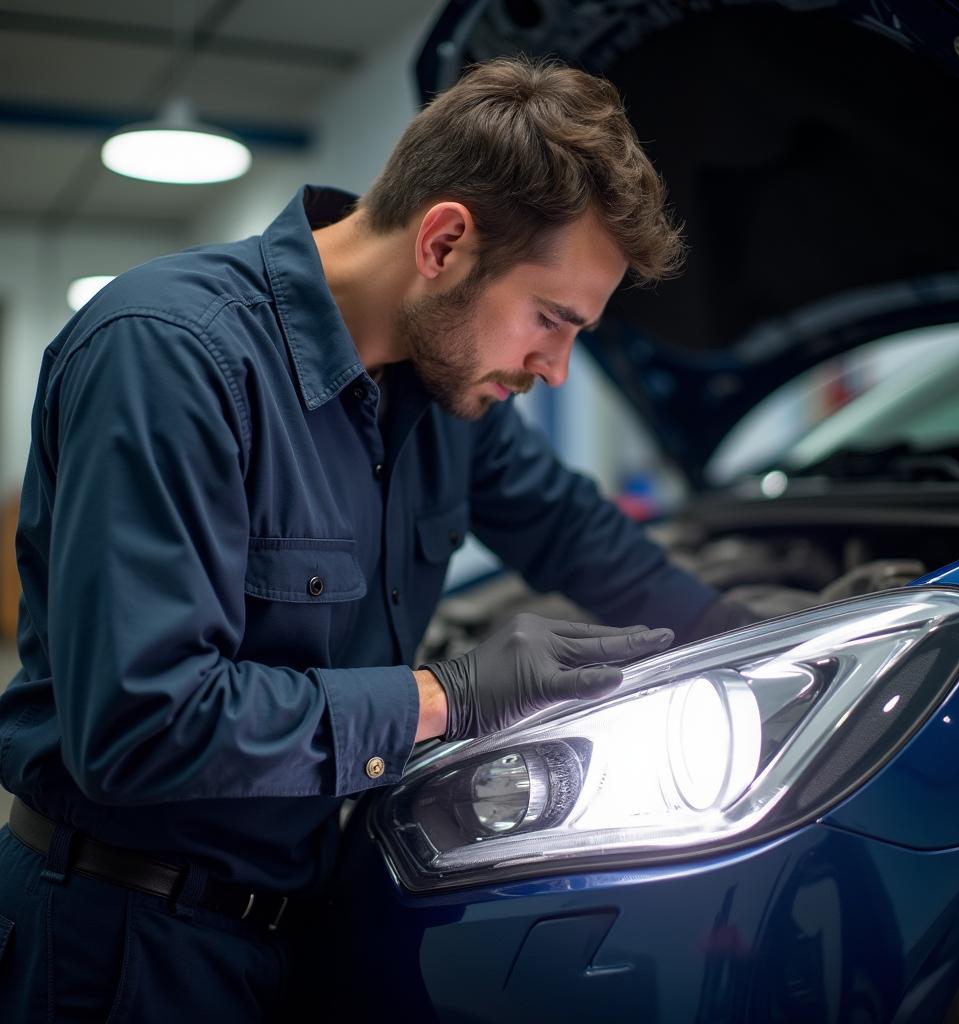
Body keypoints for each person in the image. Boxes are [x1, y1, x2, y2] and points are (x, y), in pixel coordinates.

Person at [0, 57, 750, 1020]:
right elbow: (142, 727)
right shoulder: (168, 356)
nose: (555, 369)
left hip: (298, 927)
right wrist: (449, 697)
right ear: (444, 242)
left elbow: (573, 532)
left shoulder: (440, 393)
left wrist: (748, 625)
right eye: (550, 320)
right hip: (121, 944)